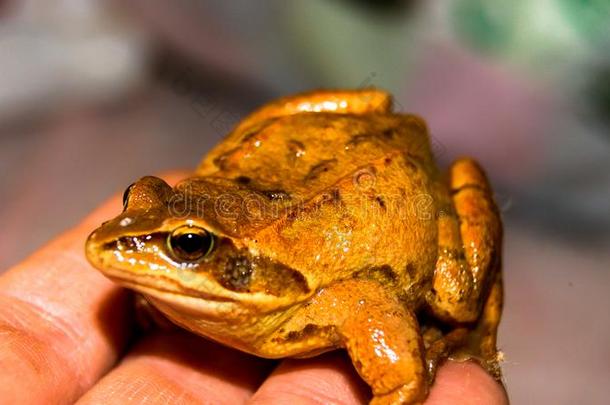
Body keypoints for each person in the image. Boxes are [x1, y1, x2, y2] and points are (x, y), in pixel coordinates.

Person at [0, 173, 508, 404]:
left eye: (190, 244)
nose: (118, 240)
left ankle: (480, 322)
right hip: (306, 186)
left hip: (404, 203)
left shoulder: (329, 300)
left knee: (457, 299)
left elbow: (399, 379)